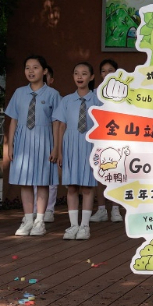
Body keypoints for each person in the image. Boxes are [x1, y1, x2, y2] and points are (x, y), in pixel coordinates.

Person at [7, 55, 61, 236]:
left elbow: (56, 123)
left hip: (44, 140)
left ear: (44, 71)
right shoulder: (19, 93)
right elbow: (13, 120)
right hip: (23, 141)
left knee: (42, 182)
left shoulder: (53, 94)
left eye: (35, 67)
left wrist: (56, 147)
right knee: (25, 182)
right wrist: (11, 145)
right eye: (27, 67)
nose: (31, 71)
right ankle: (28, 220)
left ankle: (40, 221)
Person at [52, 62, 100, 240]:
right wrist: (59, 151)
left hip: (90, 145)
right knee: (71, 186)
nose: (80, 77)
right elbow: (61, 126)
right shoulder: (66, 100)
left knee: (87, 186)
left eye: (84, 73)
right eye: (76, 73)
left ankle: (85, 226)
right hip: (70, 145)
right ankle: (73, 225)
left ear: (91, 77)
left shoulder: (98, 101)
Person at [91, 58, 123, 223]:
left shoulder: (123, 91)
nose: (106, 74)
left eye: (110, 70)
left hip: (117, 137)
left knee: (115, 173)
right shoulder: (94, 93)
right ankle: (101, 209)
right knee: (99, 173)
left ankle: (115, 209)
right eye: (103, 71)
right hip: (99, 138)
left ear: (116, 72)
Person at [34, 66, 59, 223]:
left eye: (46, 77)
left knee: (50, 177)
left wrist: (57, 145)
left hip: (51, 141)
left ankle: (49, 209)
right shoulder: (30, 96)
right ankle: (34, 209)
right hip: (36, 141)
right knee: (35, 177)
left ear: (51, 80)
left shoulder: (55, 96)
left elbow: (59, 122)